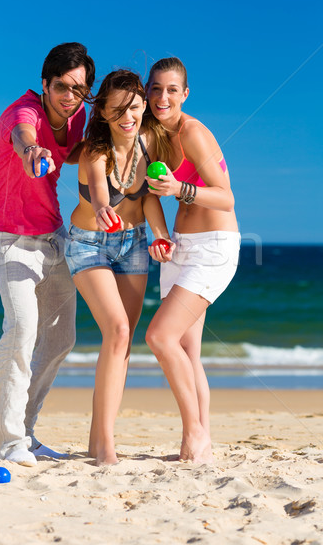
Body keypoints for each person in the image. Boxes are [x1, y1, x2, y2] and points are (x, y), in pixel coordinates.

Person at [0, 42, 95, 466]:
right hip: (11, 241)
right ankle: (8, 443)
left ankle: (26, 433)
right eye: (63, 87)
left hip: (53, 238)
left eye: (79, 90)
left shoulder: (79, 115)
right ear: (45, 84)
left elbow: (79, 154)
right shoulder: (23, 112)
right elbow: (22, 135)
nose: (70, 97)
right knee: (21, 331)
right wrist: (31, 149)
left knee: (61, 338)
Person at [65, 70, 173, 466]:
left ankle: (99, 440)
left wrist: (160, 235)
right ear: (105, 114)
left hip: (135, 244)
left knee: (122, 342)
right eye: (117, 111)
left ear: (144, 104)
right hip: (89, 243)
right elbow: (97, 188)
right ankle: (106, 446)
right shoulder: (96, 151)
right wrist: (102, 208)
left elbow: (147, 199)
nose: (127, 117)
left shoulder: (149, 142)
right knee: (118, 329)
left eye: (133, 107)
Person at [145, 57, 240, 463]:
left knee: (160, 338)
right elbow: (151, 195)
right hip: (181, 246)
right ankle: (201, 445)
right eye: (155, 88)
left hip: (214, 247)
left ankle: (195, 435)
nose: (162, 97)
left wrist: (180, 188)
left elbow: (225, 196)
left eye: (171, 89)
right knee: (186, 351)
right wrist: (162, 236)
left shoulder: (194, 133)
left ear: (184, 94)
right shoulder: (152, 135)